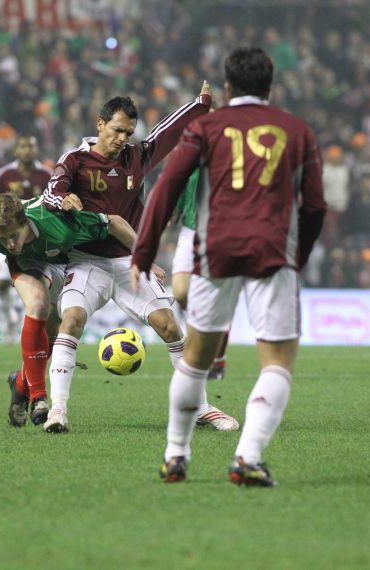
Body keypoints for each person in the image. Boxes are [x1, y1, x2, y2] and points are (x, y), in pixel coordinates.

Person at [131, 47, 326, 486]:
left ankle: (175, 455)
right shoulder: (297, 131)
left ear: (226, 87)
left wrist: (143, 253)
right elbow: (315, 206)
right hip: (272, 253)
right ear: (270, 87)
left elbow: (166, 188)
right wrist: (298, 256)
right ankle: (247, 458)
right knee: (276, 362)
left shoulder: (205, 127)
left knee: (195, 359)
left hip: (214, 250)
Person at [41, 81, 238, 434]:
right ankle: (58, 410)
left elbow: (168, 130)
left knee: (170, 326)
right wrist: (63, 200)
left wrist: (201, 104)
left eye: (128, 133)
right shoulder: (75, 159)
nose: (122, 139)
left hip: (128, 263)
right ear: (100, 123)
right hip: (87, 261)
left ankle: (199, 407)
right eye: (117, 130)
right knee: (70, 320)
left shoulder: (137, 156)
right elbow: (50, 192)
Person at [0, 192, 138, 427]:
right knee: (38, 304)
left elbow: (113, 223)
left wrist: (144, 258)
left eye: (14, 236)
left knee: (54, 338)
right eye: (2, 239)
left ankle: (20, 383)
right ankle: (38, 398)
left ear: (24, 222)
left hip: (63, 264)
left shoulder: (58, 225)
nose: (10, 244)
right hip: (27, 263)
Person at [0, 134, 53, 343]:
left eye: (31, 146)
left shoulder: (46, 174)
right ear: (16, 150)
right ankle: (8, 319)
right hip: (7, 235)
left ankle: (38, 322)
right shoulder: (5, 175)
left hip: (36, 236)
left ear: (37, 149)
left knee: (38, 280)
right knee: (1, 282)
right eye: (24, 146)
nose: (28, 150)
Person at [170, 168, 231, 382]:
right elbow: (180, 182)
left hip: (221, 231)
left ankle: (218, 361)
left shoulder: (231, 156)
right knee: (180, 291)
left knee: (217, 298)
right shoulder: (190, 154)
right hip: (190, 230)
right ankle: (202, 327)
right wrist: (174, 209)